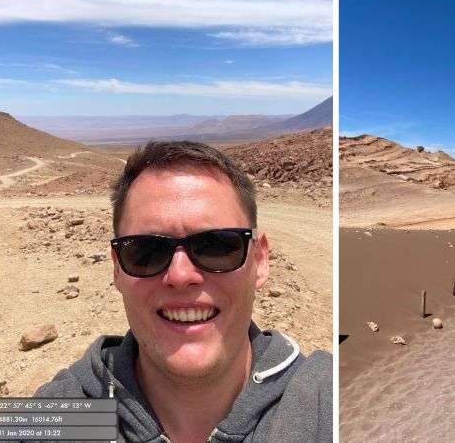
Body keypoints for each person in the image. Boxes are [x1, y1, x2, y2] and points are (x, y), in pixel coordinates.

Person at [33, 141, 332, 442]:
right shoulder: (53, 419)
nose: (180, 275)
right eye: (146, 251)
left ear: (259, 261)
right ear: (117, 270)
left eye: (216, 246)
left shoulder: (325, 400)